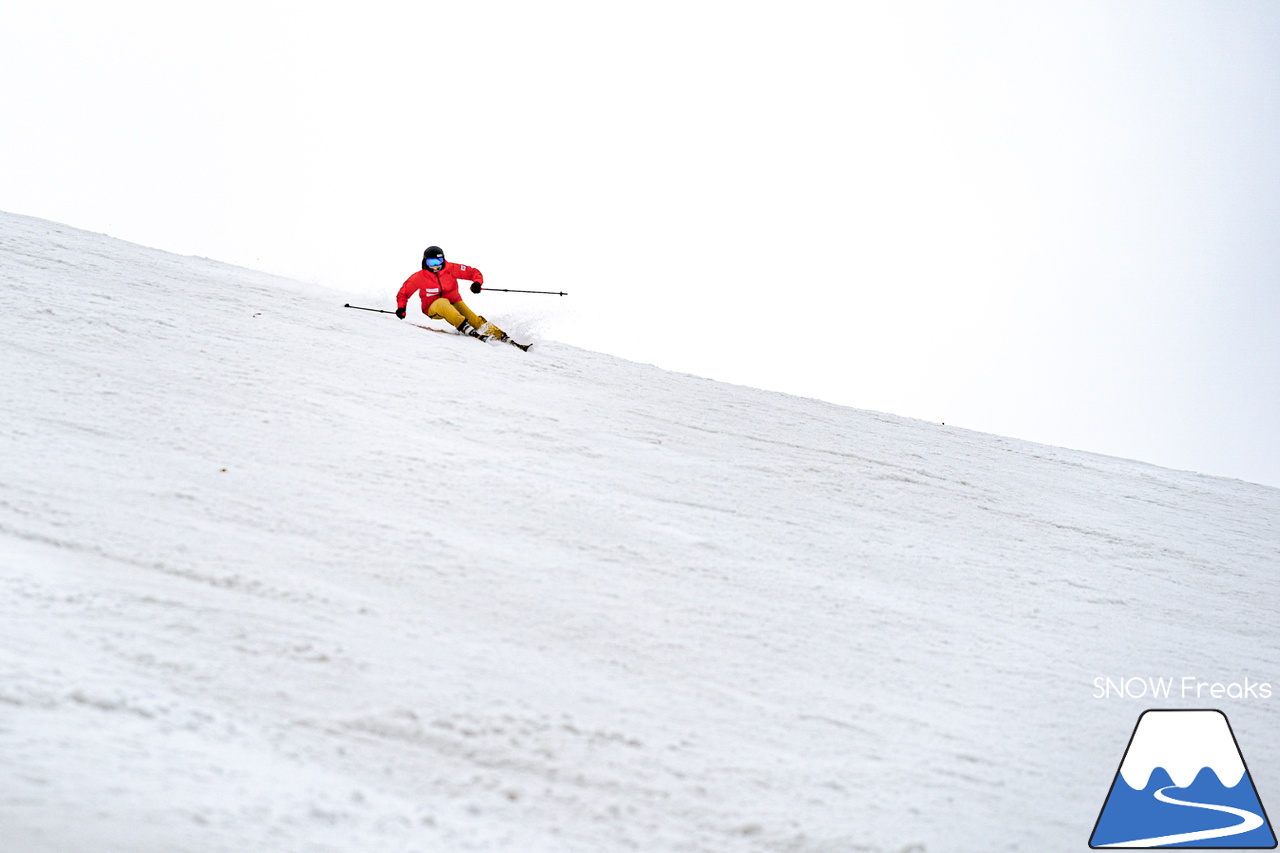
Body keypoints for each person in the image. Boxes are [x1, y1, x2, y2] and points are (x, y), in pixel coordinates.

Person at [395, 246, 525, 348]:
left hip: (454, 302)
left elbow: (473, 272)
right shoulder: (419, 277)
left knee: (473, 319)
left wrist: (477, 283)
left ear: (443, 260)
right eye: (431, 262)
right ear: (425, 262)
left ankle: (501, 336)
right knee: (442, 302)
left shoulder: (451, 268)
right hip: (433, 308)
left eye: (438, 261)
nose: (435, 265)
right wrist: (401, 308)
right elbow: (403, 293)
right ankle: (463, 326)